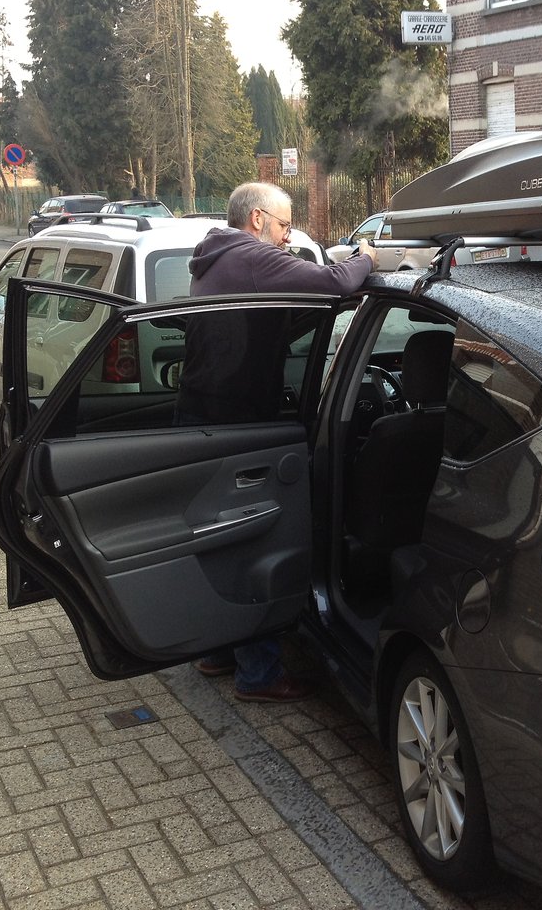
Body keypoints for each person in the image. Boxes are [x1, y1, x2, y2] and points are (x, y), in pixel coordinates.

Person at [182, 181, 374, 702]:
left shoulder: (215, 257)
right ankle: (259, 675)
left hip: (205, 412)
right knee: (255, 540)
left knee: (222, 537)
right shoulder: (250, 256)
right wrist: (366, 257)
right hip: (238, 422)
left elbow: (270, 320)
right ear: (258, 219)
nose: (289, 236)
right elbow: (335, 282)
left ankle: (218, 651)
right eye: (286, 225)